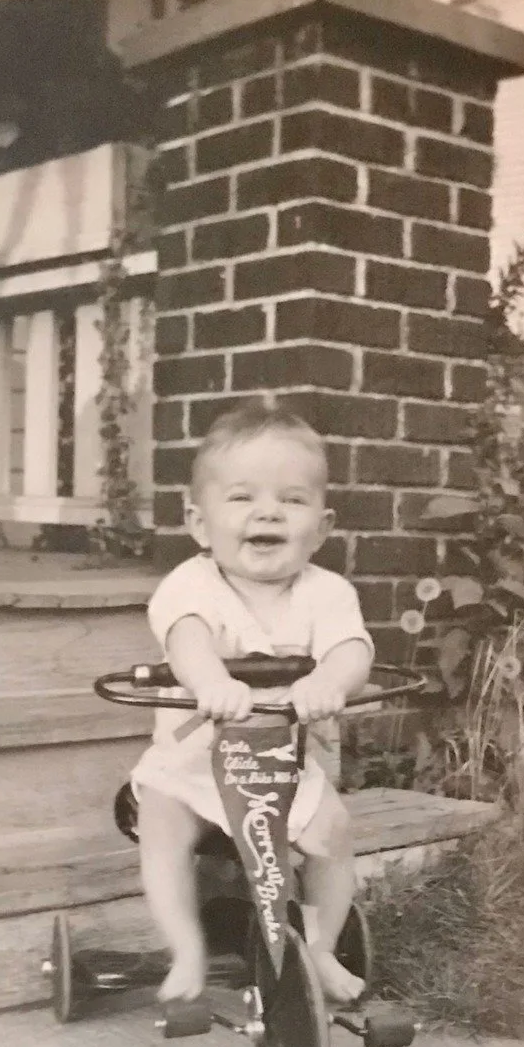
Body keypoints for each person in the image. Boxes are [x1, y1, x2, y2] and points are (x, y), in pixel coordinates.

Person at [128, 399, 373, 1005]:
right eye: (242, 498)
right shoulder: (191, 585)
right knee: (162, 824)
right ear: (199, 523)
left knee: (332, 833)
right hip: (191, 766)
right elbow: (186, 636)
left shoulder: (328, 593)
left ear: (323, 526)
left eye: (292, 500)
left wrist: (331, 682)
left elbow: (353, 650)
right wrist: (208, 679)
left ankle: (317, 945)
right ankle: (187, 948)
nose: (268, 511)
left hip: (281, 765)